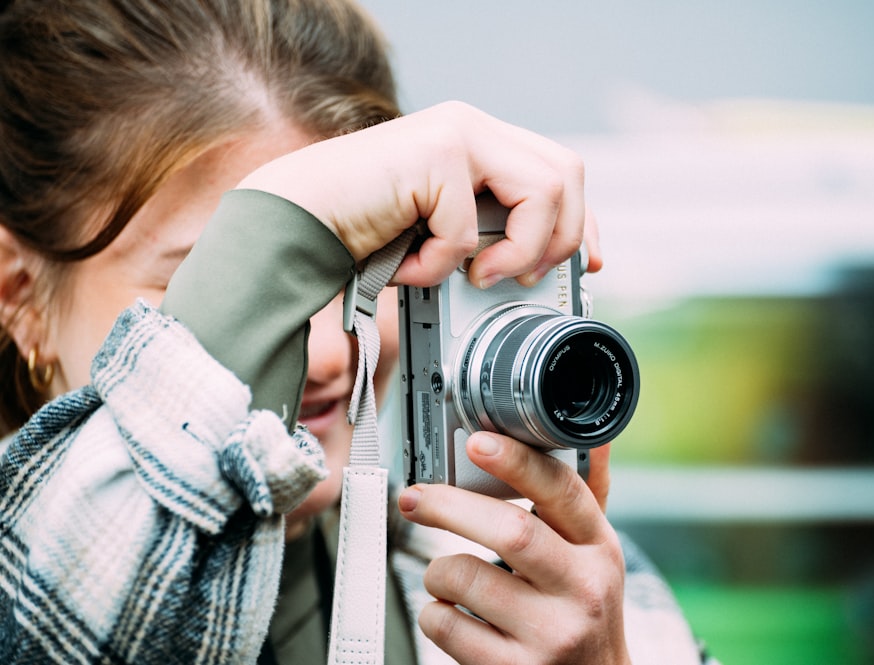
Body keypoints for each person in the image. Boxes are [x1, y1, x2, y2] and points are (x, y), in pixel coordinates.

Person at [0, 1, 713, 663]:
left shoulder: (553, 598)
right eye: (226, 277)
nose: (334, 354)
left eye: (360, 271)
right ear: (18, 293)